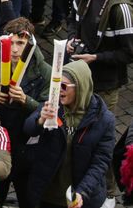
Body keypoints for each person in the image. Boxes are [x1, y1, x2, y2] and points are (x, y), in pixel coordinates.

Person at [24, 60, 115, 208]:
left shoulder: (104, 120)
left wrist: (82, 192)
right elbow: (28, 129)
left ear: (80, 87)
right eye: (57, 84)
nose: (59, 90)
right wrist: (40, 119)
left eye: (64, 86)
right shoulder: (52, 105)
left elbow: (100, 162)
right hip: (48, 194)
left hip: (81, 197)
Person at [0, 18, 51, 206]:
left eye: (20, 44)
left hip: (27, 147)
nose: (14, 49)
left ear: (30, 45)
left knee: (28, 199)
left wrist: (26, 100)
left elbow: (49, 110)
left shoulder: (44, 72)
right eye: (10, 43)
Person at [66, 0, 133, 112]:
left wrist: (95, 57)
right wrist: (71, 39)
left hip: (104, 87)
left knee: (97, 133)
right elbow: (72, 21)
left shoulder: (120, 9)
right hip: (80, 78)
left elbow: (129, 53)